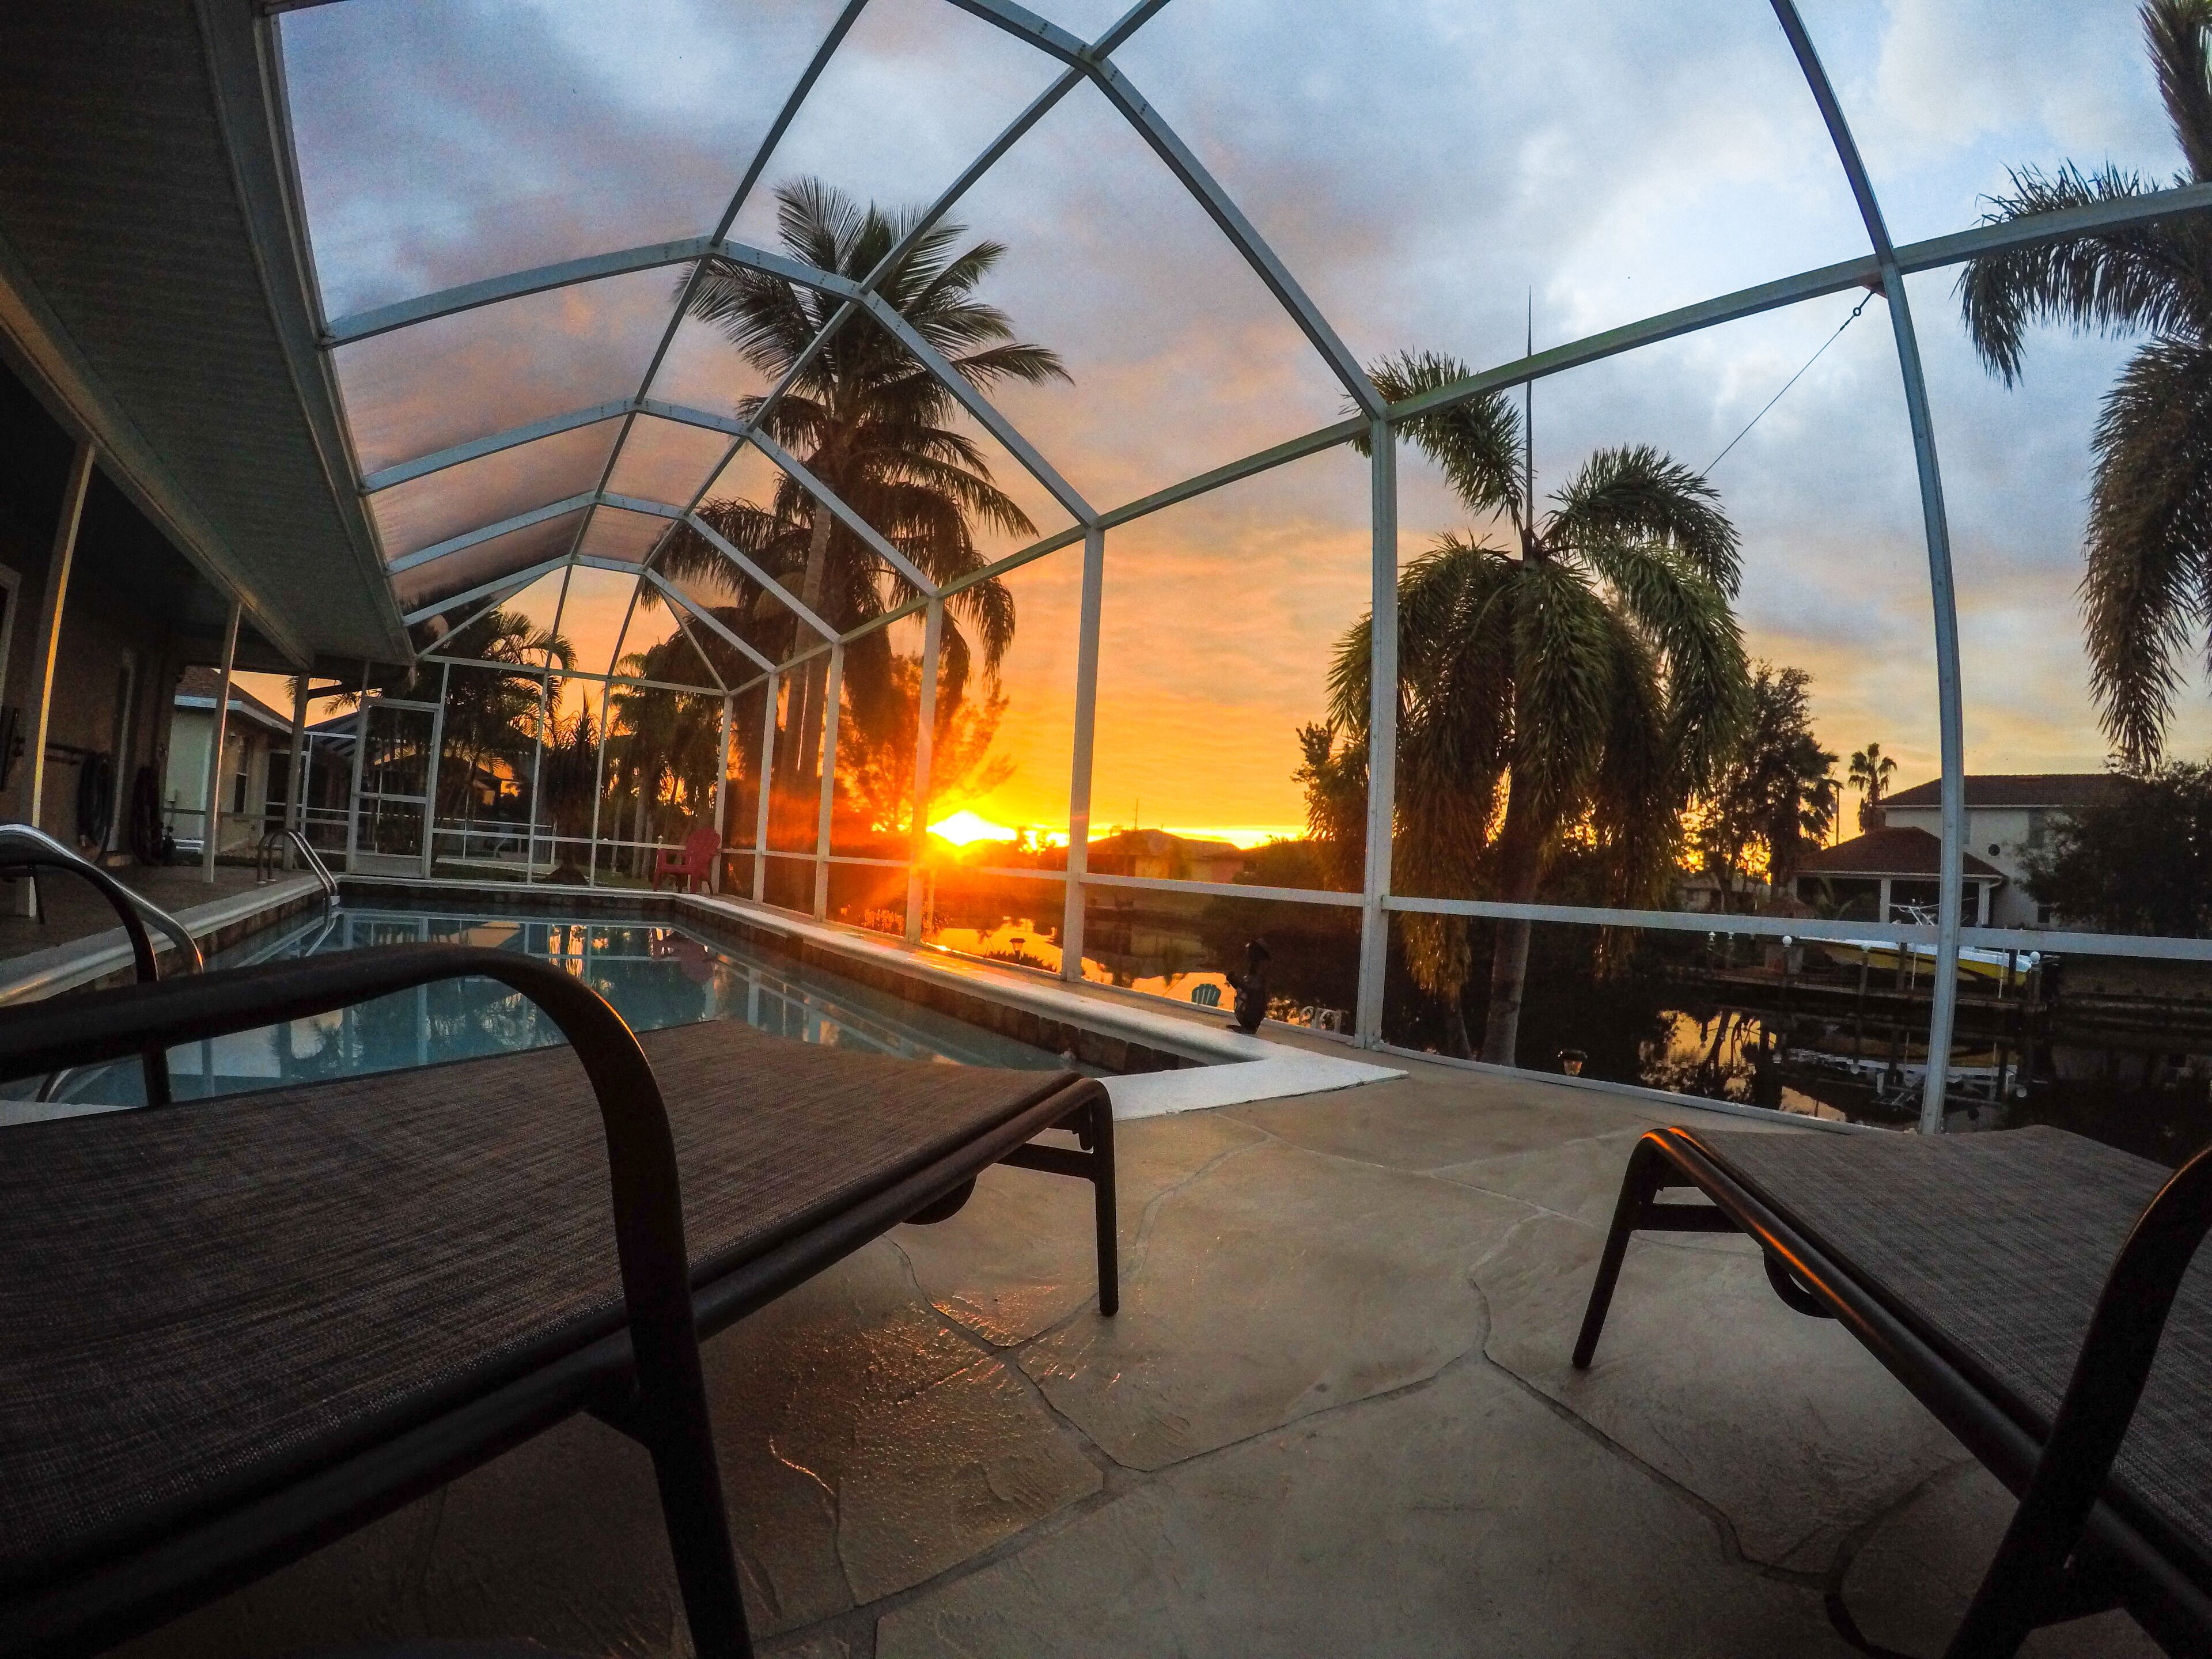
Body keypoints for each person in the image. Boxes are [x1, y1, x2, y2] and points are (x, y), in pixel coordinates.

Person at [1226, 938, 1271, 1034]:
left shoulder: (1259, 970)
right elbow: (1246, 989)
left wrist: (1237, 981)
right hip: (1248, 1011)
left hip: (1253, 1014)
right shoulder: (1253, 968)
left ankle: (1249, 1027)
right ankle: (1245, 1025)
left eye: (1250, 949)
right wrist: (1234, 981)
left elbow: (1253, 991)